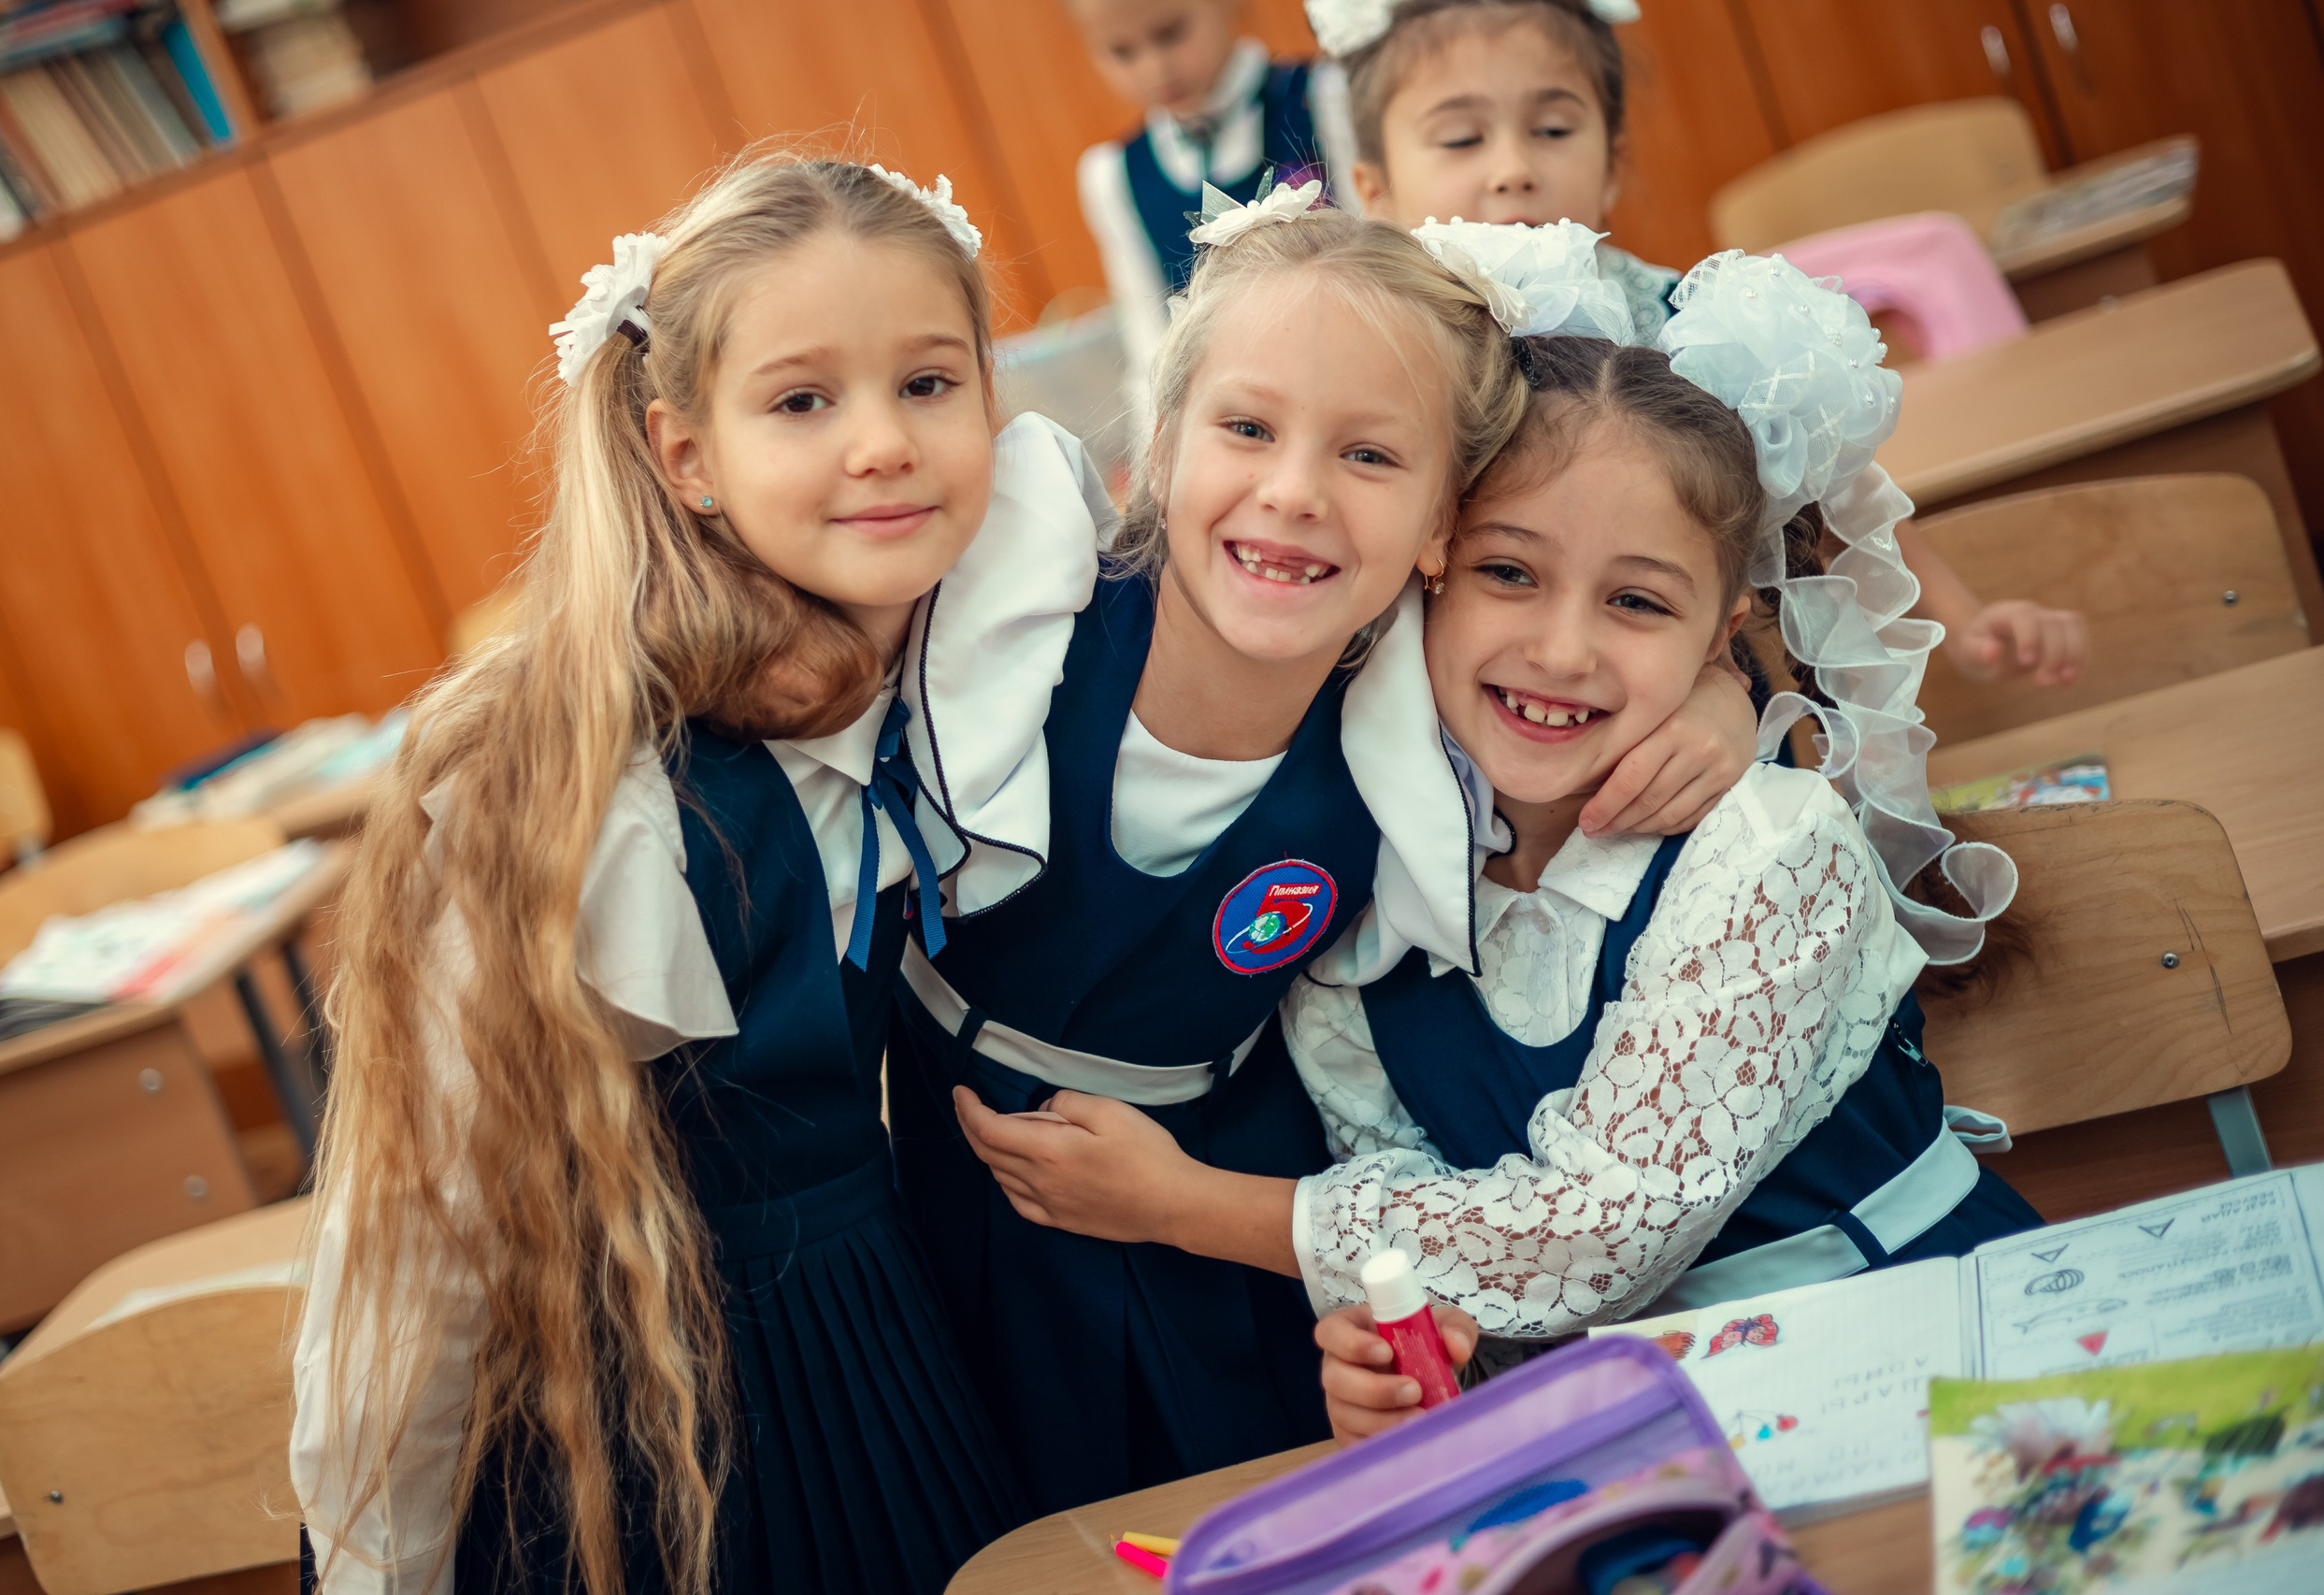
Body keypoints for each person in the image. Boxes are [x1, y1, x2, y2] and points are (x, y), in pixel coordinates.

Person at [949, 234, 2039, 1444]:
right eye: (1509, 572)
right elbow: (1434, 1220)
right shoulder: (1378, 872)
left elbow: (1597, 1237)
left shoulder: (1769, 851)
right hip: (1621, 1425)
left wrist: (1189, 1204)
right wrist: (1408, 1349)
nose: (1563, 649)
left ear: (1721, 635)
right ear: (1429, 570)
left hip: (1919, 1357)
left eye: (1636, 602)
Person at [888, 187, 1760, 1516]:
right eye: (1246, 428)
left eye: (1368, 457)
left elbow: (1624, 618)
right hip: (948, 1185)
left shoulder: (1424, 722)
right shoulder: (1013, 620)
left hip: (1224, 1199)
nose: (1292, 494)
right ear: (1165, 444)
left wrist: (1725, 687)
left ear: (1438, 533)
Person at [288, 154, 1044, 1595]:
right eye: (803, 400)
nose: (884, 442)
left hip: (896, 1367)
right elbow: (415, 1237)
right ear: (685, 454)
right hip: (666, 1448)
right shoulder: (592, 790)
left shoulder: (964, 647)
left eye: (931, 384)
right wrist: (374, 1566)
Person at [1306, 0, 2087, 690]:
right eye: (1461, 139)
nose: (1513, 169)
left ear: (1611, 164)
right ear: (1375, 191)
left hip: (1681, 695)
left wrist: (1959, 617)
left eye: (1552, 129)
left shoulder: (1688, 317)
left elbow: (1830, 484)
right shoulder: (1380, 348)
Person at [1069, 0, 1355, 417]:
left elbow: (1388, 243)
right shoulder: (1112, 175)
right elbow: (1150, 344)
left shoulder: (1323, 98)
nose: (1153, 68)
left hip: (1350, 367)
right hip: (1237, 417)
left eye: (1170, 33)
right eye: (1121, 52)